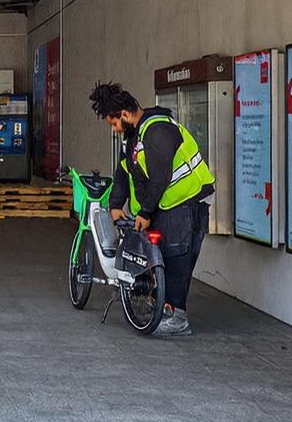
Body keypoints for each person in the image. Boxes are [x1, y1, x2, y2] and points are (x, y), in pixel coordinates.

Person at [90, 81, 215, 338]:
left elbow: (159, 177)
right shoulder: (135, 137)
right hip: (166, 207)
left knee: (177, 259)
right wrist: (115, 205)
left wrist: (145, 212)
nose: (115, 130)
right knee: (165, 259)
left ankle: (177, 317)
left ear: (124, 115)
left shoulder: (157, 130)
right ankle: (165, 310)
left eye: (113, 123)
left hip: (186, 204)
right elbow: (124, 171)